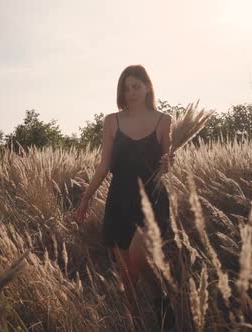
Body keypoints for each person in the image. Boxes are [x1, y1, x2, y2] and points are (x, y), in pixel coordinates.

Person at [74, 64, 175, 326]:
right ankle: (136, 319)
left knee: (139, 256)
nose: (131, 92)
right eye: (126, 88)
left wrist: (168, 163)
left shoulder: (164, 120)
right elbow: (104, 165)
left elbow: (166, 167)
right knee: (125, 272)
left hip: (151, 197)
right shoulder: (112, 121)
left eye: (136, 86)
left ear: (147, 87)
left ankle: (160, 297)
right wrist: (86, 197)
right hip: (119, 197)